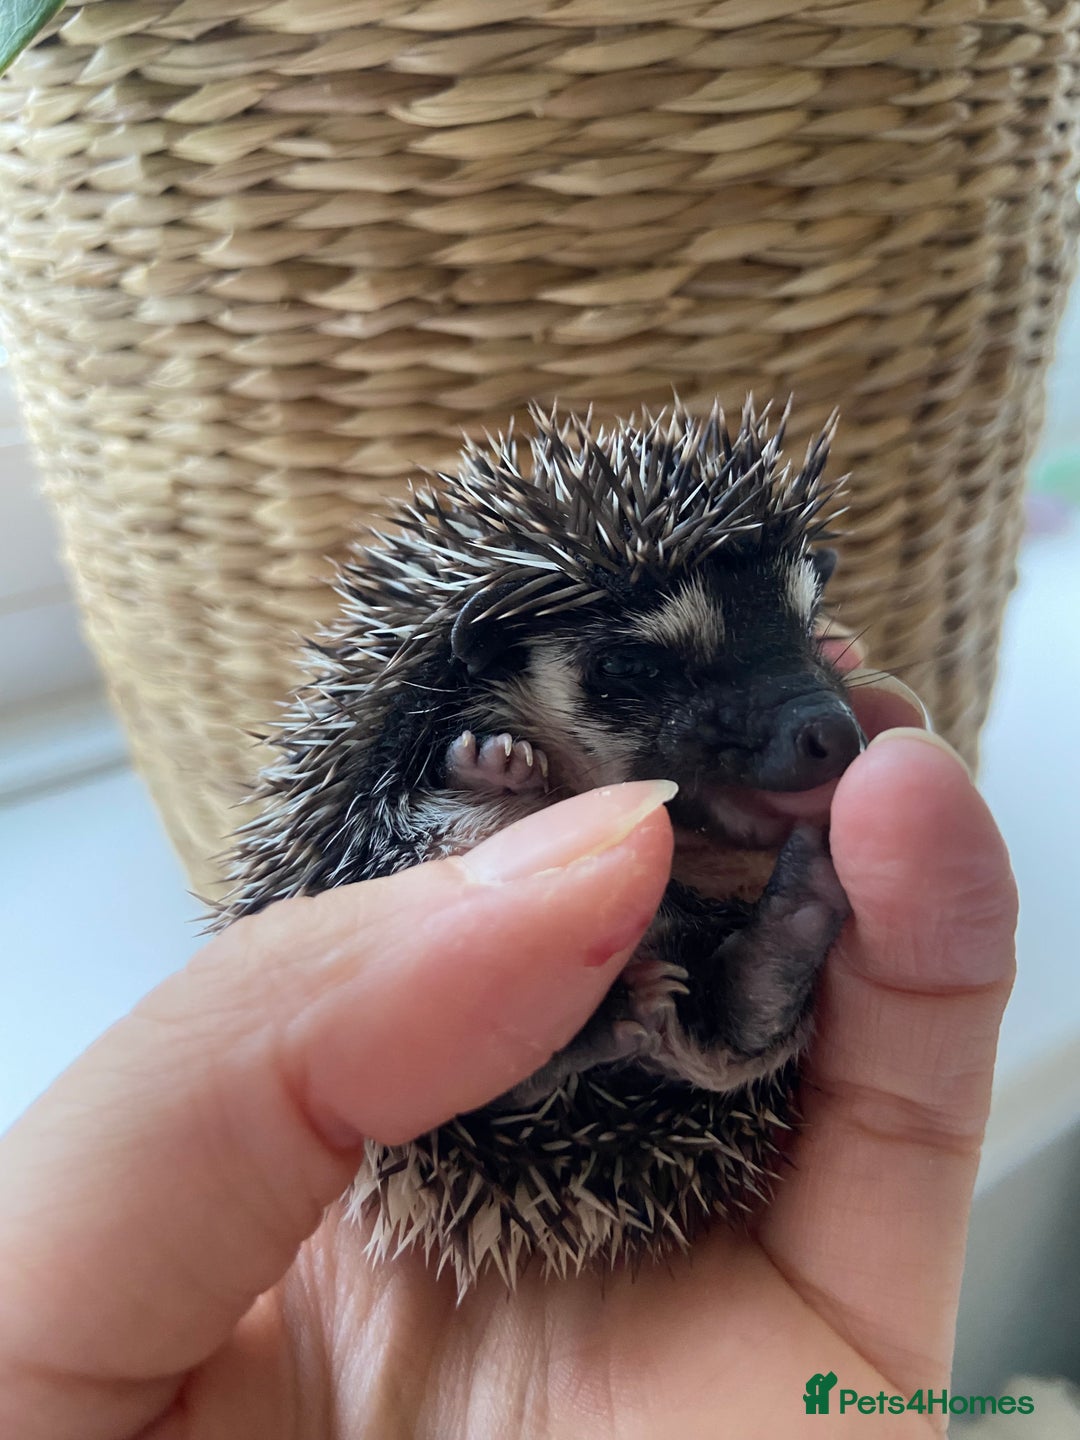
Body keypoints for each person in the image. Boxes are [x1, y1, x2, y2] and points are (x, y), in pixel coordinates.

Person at [0, 705, 1016, 1438]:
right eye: (627, 671)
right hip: (500, 1086)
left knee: (618, 938)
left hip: (630, 1060)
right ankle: (693, 1017)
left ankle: (686, 1022)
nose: (819, 724)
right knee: (489, 958)